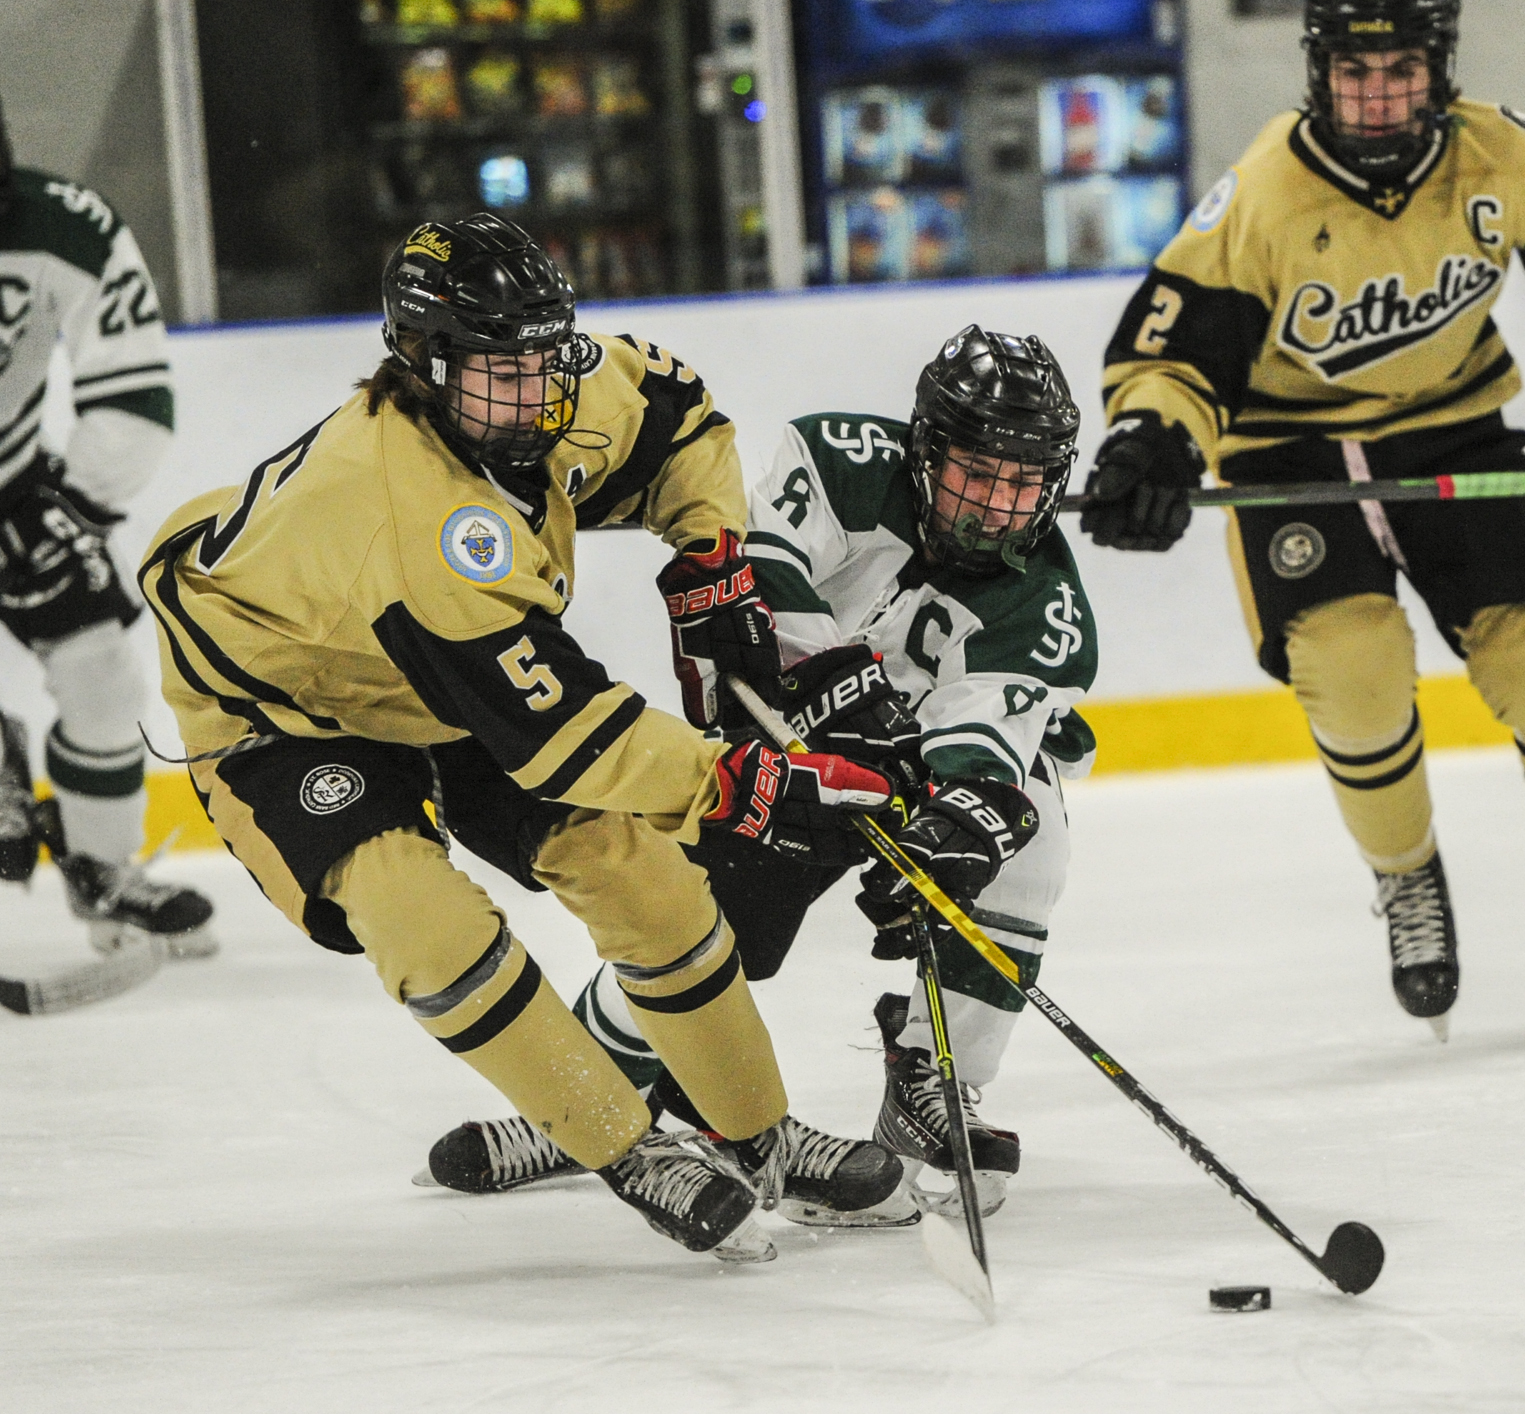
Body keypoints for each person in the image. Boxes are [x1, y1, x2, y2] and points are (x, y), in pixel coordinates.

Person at [138, 211, 905, 1259]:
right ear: (418, 364)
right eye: (502, 369)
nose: (535, 389)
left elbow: (682, 414)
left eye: (546, 356)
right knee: (417, 913)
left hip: (425, 677)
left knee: (639, 873)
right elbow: (570, 740)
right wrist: (747, 783)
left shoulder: (537, 391)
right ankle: (626, 1150)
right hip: (276, 708)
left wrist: (710, 555)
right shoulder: (407, 513)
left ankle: (760, 1135)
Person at [1079, 0, 1525, 1038]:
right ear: (1318, 73)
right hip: (1286, 452)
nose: (1380, 93)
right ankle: (1406, 879)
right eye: (1357, 71)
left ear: (1439, 67)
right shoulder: (1262, 193)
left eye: (1402, 69)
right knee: (1350, 666)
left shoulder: (1513, 157)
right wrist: (1153, 437)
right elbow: (1169, 356)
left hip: (1454, 434)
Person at [417, 325, 1094, 1223]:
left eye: (1022, 483)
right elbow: (761, 567)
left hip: (906, 761)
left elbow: (983, 740)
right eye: (978, 472)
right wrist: (836, 714)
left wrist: (949, 836)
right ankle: (587, 1098)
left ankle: (940, 1084)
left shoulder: (1046, 605)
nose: (996, 506)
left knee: (1029, 839)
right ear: (926, 450)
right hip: (781, 737)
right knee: (701, 922)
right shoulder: (840, 456)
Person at [0, 96, 213, 950]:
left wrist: (73, 509)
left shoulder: (62, 226)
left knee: (103, 675)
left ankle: (102, 871)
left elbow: (132, 389)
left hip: (14, 486)